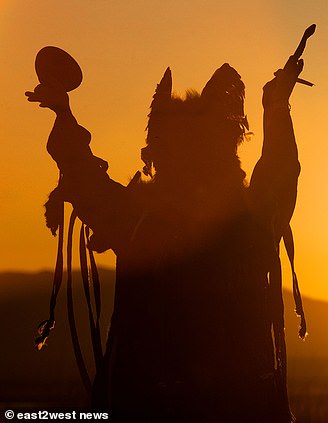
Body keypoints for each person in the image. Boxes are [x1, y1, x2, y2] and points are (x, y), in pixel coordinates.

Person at [26, 51, 307, 422]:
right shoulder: (150, 219)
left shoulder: (240, 221)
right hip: (165, 404)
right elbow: (84, 179)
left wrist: (277, 108)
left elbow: (279, 172)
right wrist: (276, 109)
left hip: (214, 405)